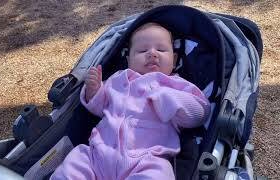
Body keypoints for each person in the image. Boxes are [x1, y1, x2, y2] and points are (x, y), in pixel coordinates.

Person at [51, 22, 210, 180]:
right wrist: (94, 91)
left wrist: (172, 99)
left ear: (174, 60)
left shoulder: (175, 84)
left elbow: (200, 112)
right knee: (73, 164)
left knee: (159, 175)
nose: (152, 53)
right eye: (142, 50)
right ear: (129, 60)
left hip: (147, 159)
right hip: (98, 153)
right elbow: (99, 107)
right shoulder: (118, 79)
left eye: (161, 49)